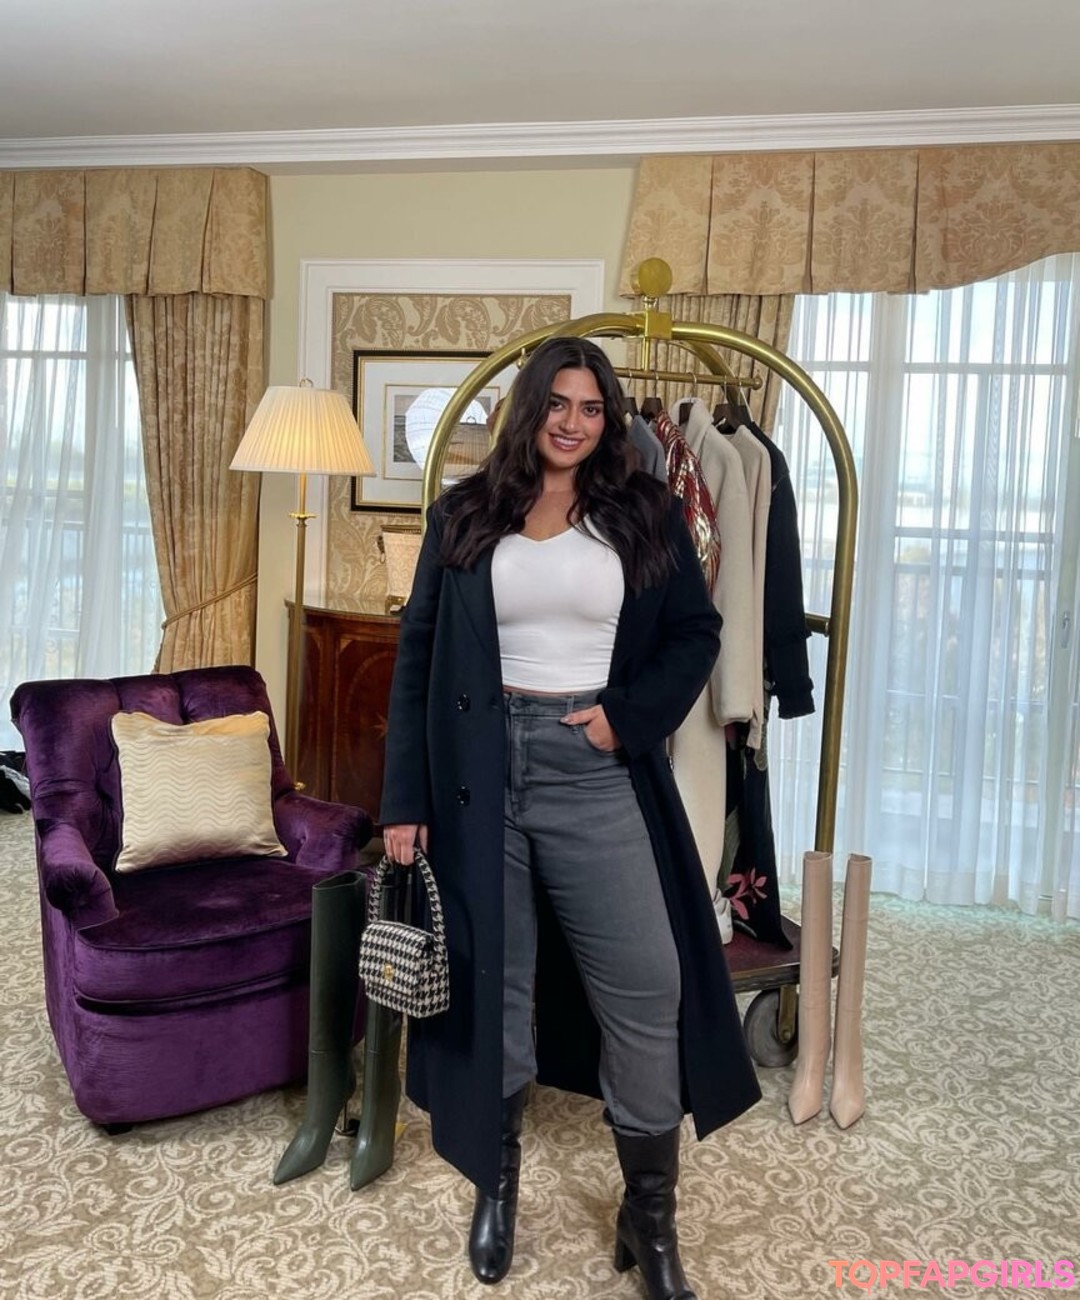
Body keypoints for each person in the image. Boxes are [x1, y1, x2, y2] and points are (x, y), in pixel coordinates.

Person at [380, 335, 761, 1298]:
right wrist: (403, 800)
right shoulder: (466, 513)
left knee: (648, 982)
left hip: (590, 765)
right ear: (529, 408)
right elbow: (419, 653)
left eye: (592, 408)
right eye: (557, 403)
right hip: (477, 773)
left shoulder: (645, 510)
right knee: (498, 986)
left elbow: (697, 633)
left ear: (609, 418)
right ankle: (497, 1183)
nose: (573, 423)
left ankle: (650, 1216)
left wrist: (625, 719)